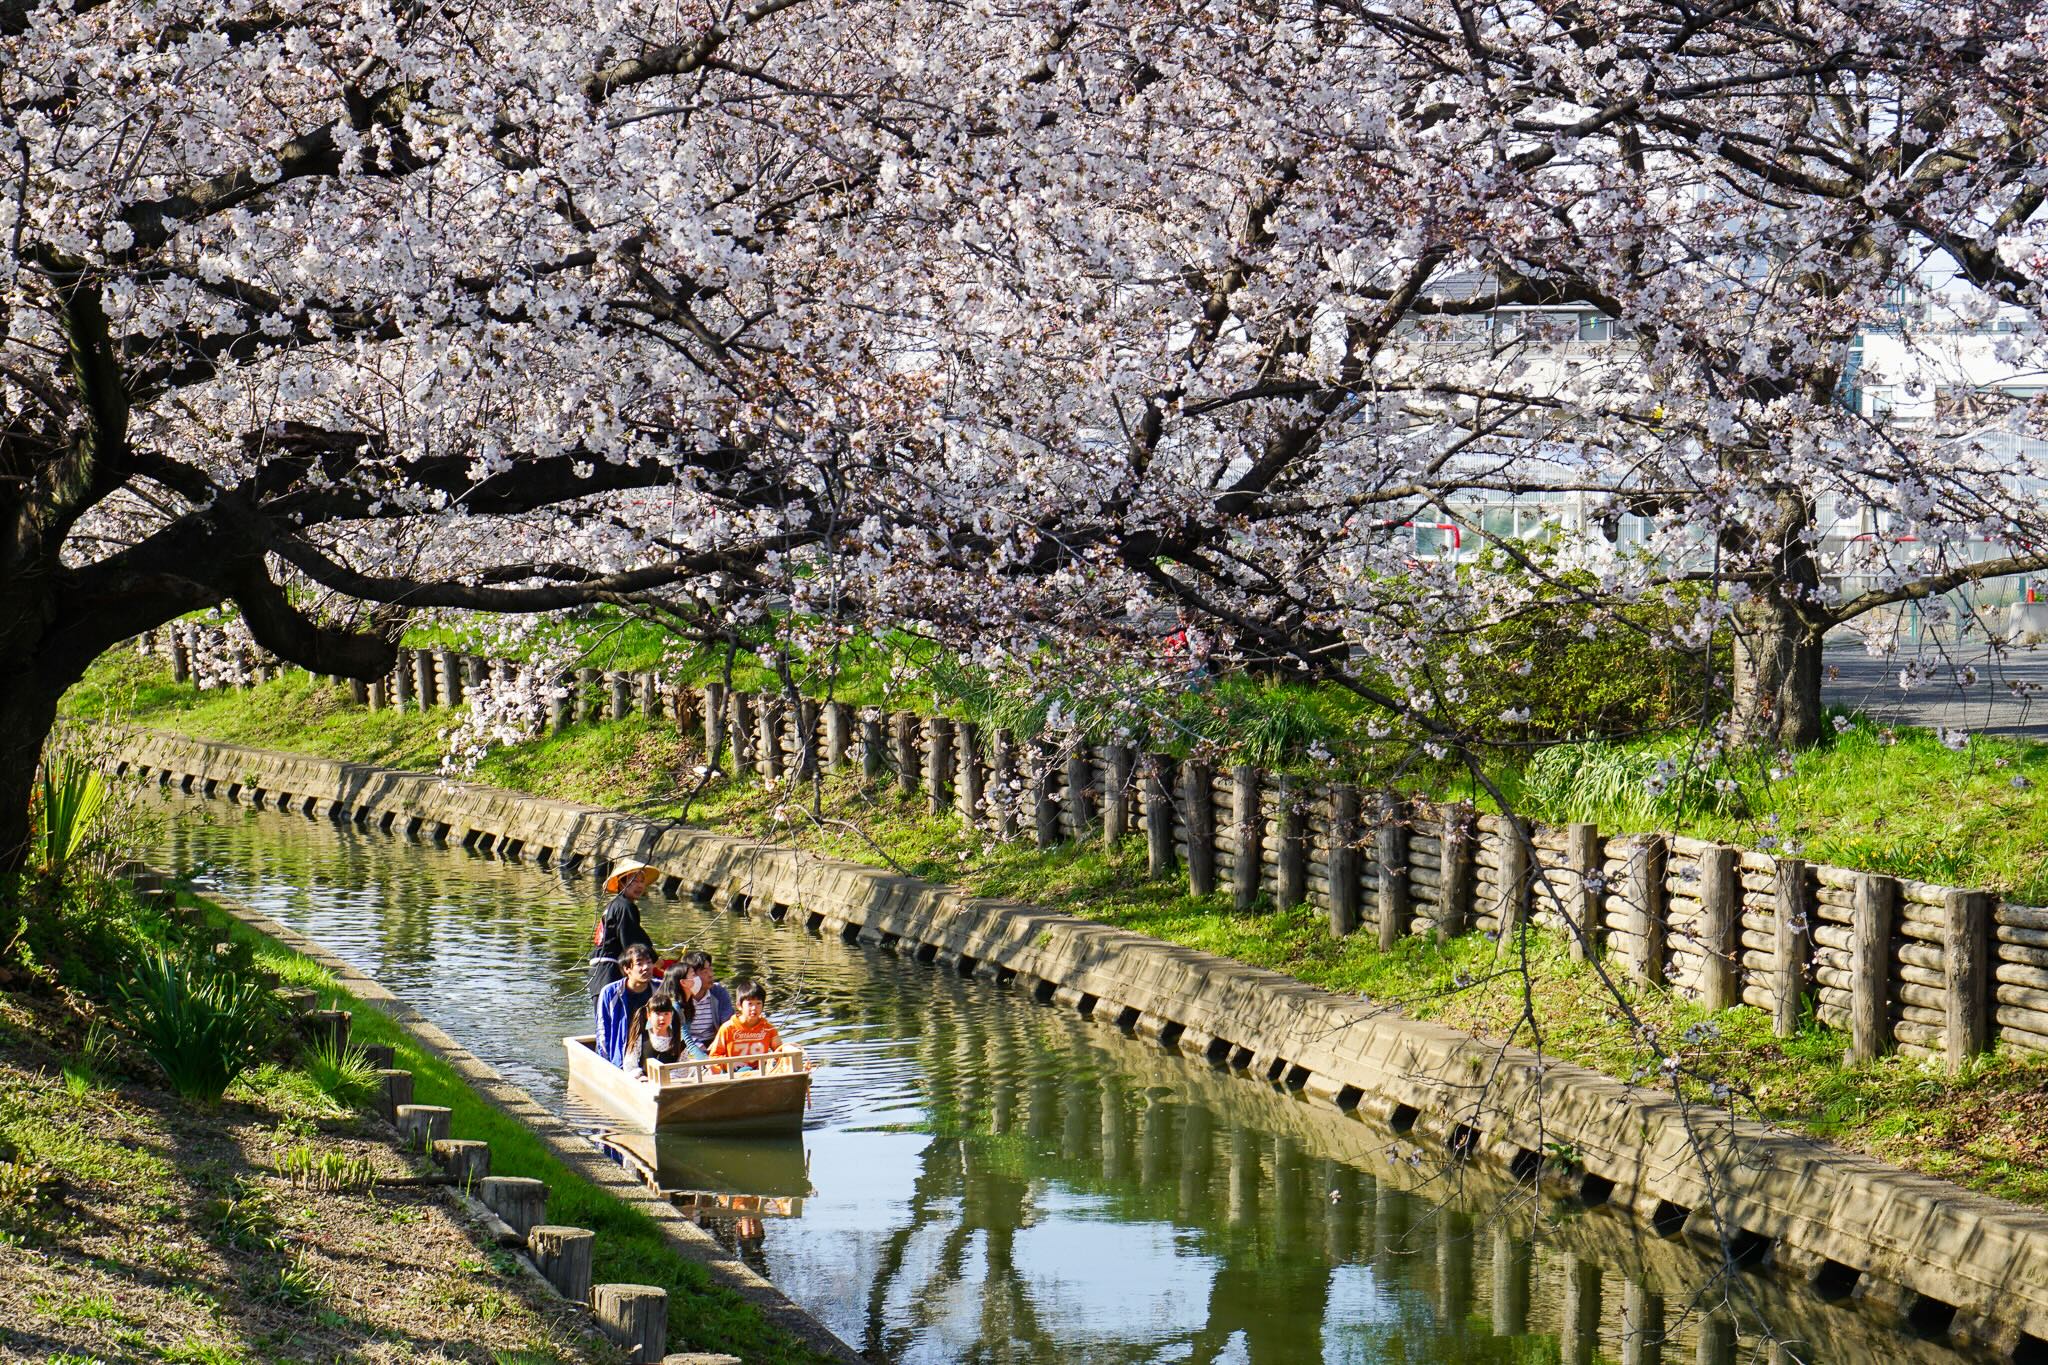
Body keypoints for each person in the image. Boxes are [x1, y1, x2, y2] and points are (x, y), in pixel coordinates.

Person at [586, 860, 660, 1005]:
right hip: (609, 971)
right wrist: (654, 960)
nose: (639, 885)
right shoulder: (625, 907)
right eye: (634, 880)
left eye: (642, 881)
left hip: (599, 972)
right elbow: (632, 944)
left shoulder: (615, 905)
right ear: (621, 883)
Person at [595, 942, 658, 1068]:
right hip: (622, 1055)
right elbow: (603, 1031)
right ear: (627, 969)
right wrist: (607, 1065)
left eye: (649, 962)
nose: (646, 967)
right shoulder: (610, 992)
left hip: (652, 1051)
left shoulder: (660, 988)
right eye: (639, 963)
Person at [665, 949, 732, 1057]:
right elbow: (683, 1035)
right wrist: (701, 1050)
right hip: (686, 1046)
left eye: (710, 969)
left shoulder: (719, 992)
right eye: (705, 972)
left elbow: (727, 1024)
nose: (711, 975)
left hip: (715, 1042)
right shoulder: (678, 1001)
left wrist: (717, 1044)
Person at [707, 978, 781, 1071]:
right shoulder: (728, 1028)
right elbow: (714, 1056)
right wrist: (730, 1064)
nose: (754, 1008)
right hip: (736, 1073)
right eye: (750, 1004)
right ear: (739, 1006)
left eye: (758, 1003)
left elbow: (780, 1051)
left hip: (761, 1072)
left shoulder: (769, 1029)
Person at [624, 985, 686, 1078]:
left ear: (671, 1015)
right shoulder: (641, 1038)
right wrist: (641, 1077)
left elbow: (683, 1069)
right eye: (657, 1013)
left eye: (666, 1014)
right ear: (648, 1015)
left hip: (672, 1083)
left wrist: (667, 1079)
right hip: (644, 1083)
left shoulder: (679, 1040)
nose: (662, 1018)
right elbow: (630, 1065)